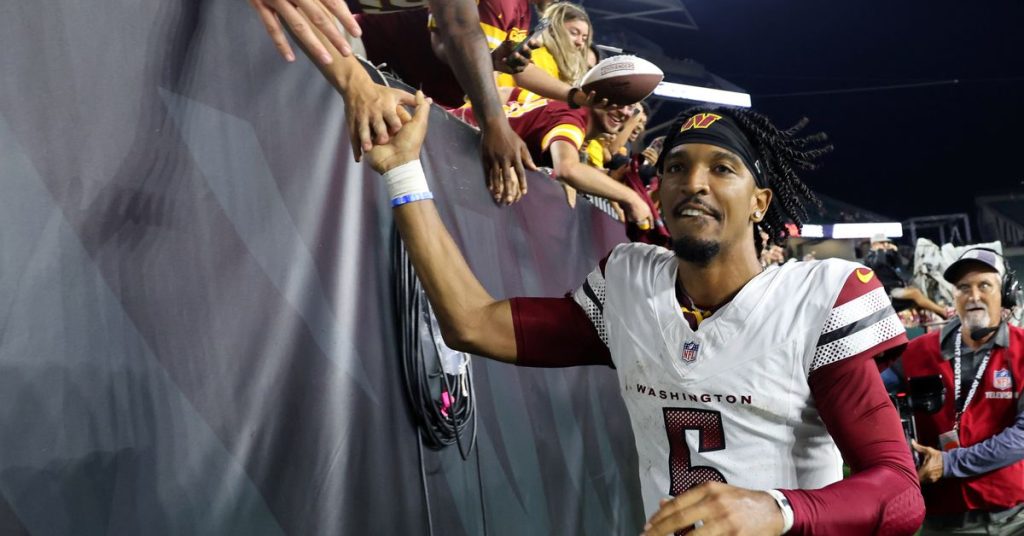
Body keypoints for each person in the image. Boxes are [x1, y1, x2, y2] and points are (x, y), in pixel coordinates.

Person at [369, 93, 925, 534]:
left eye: (722, 168)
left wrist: (777, 509)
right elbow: (472, 323)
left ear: (759, 202)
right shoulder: (631, 284)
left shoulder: (817, 296)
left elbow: (900, 492)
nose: (694, 183)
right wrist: (402, 172)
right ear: (658, 196)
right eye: (677, 167)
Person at [248, 0, 535, 205]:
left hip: (316, 34)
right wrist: (356, 84)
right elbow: (457, 27)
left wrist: (494, 121)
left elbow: (457, 24)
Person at [896, 248, 1024, 534]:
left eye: (984, 285)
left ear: (1006, 294)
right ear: (954, 296)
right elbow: (866, 397)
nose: (973, 295)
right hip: (944, 518)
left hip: (1015, 516)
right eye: (964, 287)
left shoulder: (1023, 350)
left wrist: (949, 462)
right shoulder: (914, 352)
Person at [456, 92, 652, 223]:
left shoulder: (561, 103)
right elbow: (567, 168)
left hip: (455, 140)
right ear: (596, 94)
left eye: (631, 108)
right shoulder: (572, 120)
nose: (624, 112)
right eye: (619, 102)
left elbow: (506, 92)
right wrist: (631, 198)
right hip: (453, 144)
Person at [865, 233, 950, 319]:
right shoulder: (870, 257)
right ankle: (943, 312)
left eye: (887, 242)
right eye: (882, 243)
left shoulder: (886, 255)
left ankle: (933, 316)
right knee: (915, 293)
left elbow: (899, 265)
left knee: (920, 289)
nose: (886, 244)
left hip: (897, 286)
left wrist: (895, 252)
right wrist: (879, 250)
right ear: (874, 244)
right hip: (887, 291)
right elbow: (879, 263)